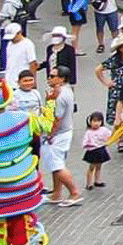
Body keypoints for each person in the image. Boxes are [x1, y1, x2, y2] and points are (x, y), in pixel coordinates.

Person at [41, 68, 81, 207]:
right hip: (64, 132)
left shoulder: (61, 96)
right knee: (55, 163)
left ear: (62, 78)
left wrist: (50, 135)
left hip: (59, 134)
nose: (49, 78)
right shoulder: (66, 91)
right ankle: (56, 194)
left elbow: (57, 118)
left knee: (57, 165)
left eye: (52, 76)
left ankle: (74, 192)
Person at [79, 113, 112, 191]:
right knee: (92, 167)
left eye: (99, 121)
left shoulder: (104, 129)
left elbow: (110, 135)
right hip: (93, 151)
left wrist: (108, 140)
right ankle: (89, 183)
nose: (97, 123)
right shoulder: (89, 132)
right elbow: (85, 142)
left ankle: (97, 181)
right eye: (94, 121)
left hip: (101, 149)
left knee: (99, 166)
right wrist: (88, 145)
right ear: (90, 122)